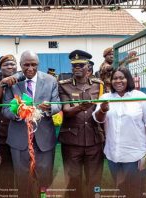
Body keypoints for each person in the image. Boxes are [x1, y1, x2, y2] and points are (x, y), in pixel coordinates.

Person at [2, 50, 61, 197]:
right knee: (22, 180)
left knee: (45, 181)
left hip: (44, 140)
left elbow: (57, 104)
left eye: (34, 65)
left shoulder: (50, 80)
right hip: (19, 140)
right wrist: (18, 113)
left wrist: (50, 108)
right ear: (20, 65)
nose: (30, 68)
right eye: (26, 65)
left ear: (38, 64)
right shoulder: (13, 82)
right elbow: (5, 110)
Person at [93, 66, 146, 197]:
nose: (118, 81)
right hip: (113, 154)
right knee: (120, 189)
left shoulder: (141, 97)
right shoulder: (106, 97)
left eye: (121, 78)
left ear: (128, 79)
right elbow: (98, 119)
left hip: (135, 154)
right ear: (111, 81)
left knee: (135, 190)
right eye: (115, 78)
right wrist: (103, 110)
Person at [58, 50, 104, 198]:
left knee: (94, 180)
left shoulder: (99, 85)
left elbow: (103, 110)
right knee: (73, 180)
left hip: (94, 139)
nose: (77, 68)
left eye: (81, 65)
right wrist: (80, 107)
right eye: (74, 65)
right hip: (72, 140)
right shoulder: (64, 85)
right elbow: (66, 110)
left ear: (88, 68)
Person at [0, 54, 18, 192]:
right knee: (5, 168)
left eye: (12, 64)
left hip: (20, 130)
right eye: (6, 64)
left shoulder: (22, 81)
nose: (10, 67)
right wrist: (3, 83)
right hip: (3, 133)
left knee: (22, 169)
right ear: (0, 68)